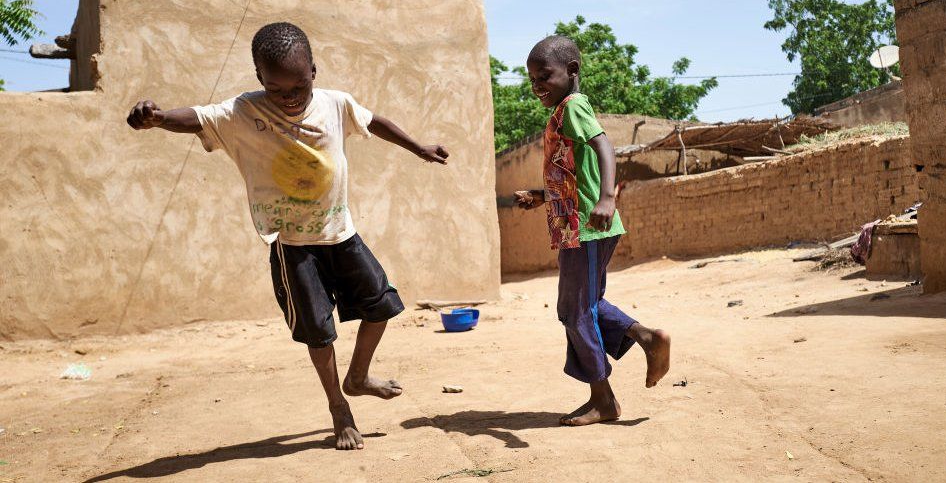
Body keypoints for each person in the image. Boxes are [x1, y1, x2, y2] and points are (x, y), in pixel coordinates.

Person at [126, 22, 449, 450]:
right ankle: (338, 406)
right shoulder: (244, 111)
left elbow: (376, 122)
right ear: (261, 80)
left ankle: (358, 377)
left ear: (314, 71)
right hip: (294, 247)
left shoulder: (335, 103)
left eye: (299, 86)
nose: (291, 97)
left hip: (341, 234)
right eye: (278, 90)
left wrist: (419, 147)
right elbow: (198, 117)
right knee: (319, 332)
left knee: (382, 306)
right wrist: (159, 118)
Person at [515, 35, 670, 426]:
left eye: (544, 75)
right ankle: (646, 338)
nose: (537, 85)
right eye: (532, 79)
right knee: (585, 305)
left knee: (574, 310)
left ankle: (603, 398)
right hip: (577, 225)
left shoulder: (574, 106)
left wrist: (607, 198)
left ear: (572, 71)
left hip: (588, 226)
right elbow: (572, 177)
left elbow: (605, 148)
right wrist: (541, 197)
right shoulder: (562, 112)